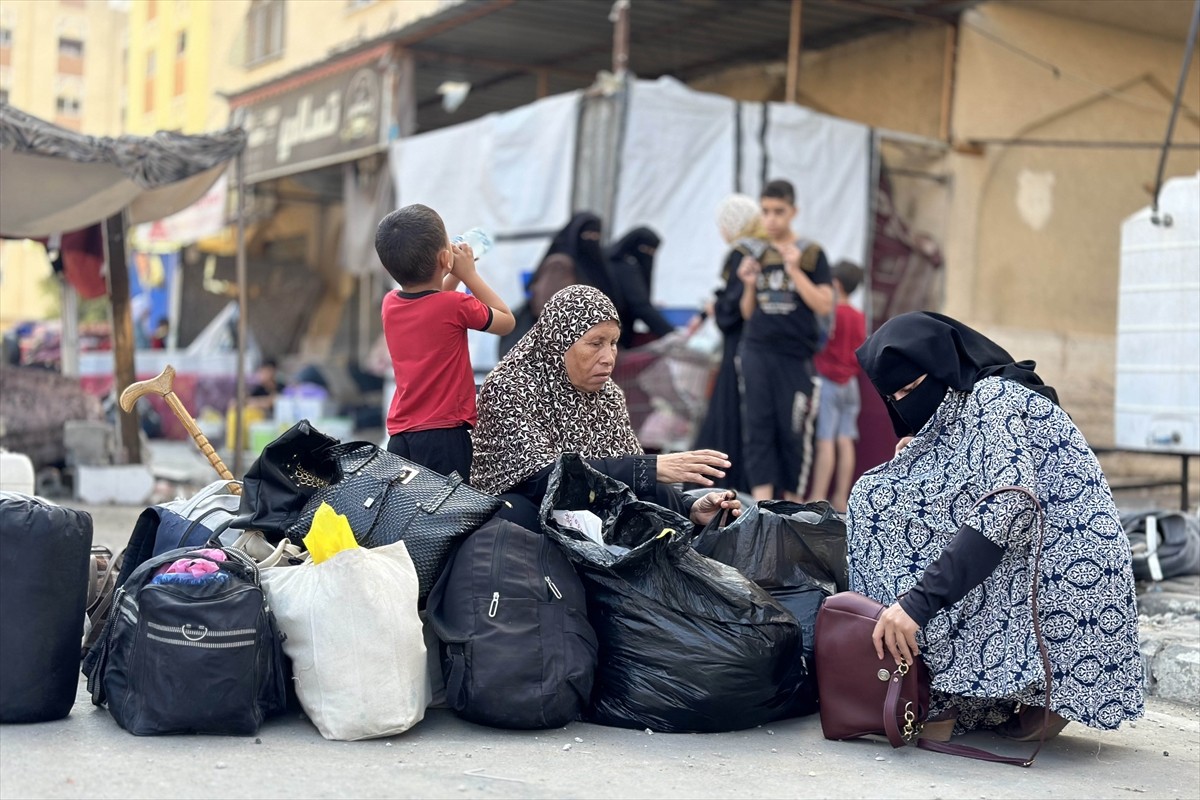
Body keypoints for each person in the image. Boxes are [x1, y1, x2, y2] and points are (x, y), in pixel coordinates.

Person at [848, 311, 1143, 743]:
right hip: (1026, 544)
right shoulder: (960, 404)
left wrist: (918, 603)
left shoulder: (994, 399)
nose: (906, 403)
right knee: (879, 493)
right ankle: (928, 682)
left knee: (907, 510)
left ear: (944, 366)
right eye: (894, 398)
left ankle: (970, 688)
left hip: (1066, 565)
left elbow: (1007, 505)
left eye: (913, 389)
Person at [471, 284, 741, 532]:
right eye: (595, 343)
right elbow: (542, 480)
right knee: (516, 512)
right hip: (525, 539)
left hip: (588, 522)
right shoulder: (508, 387)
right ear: (558, 343)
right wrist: (645, 468)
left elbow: (630, 479)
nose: (608, 357)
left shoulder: (607, 393)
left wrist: (689, 508)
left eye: (613, 343)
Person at [377, 204, 516, 482]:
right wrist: (469, 276)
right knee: (449, 518)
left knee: (409, 516)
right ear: (444, 256)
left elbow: (434, 302)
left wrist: (451, 271)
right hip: (445, 436)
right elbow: (506, 321)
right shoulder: (455, 305)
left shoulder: (390, 304)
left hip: (401, 436)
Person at [736, 179, 833, 502]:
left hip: (794, 356)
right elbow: (748, 313)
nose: (771, 219)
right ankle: (763, 505)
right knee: (759, 427)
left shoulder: (811, 253)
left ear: (793, 212)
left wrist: (795, 271)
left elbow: (824, 303)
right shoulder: (758, 253)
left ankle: (791, 507)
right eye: (765, 212)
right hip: (757, 349)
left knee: (794, 432)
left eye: (779, 211)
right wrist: (749, 284)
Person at [689, 194, 768, 494]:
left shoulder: (740, 252)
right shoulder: (766, 249)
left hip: (739, 347)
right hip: (764, 346)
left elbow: (731, 307)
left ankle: (716, 480)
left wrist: (716, 309)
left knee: (728, 412)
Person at [807, 261, 867, 512]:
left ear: (836, 284)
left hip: (830, 382)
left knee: (825, 441)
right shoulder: (858, 315)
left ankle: (818, 496)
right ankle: (842, 497)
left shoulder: (831, 313)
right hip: (851, 383)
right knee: (845, 440)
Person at [606, 227, 675, 349]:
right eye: (647, 250)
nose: (649, 256)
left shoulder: (607, 262)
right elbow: (640, 306)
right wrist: (671, 333)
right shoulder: (626, 268)